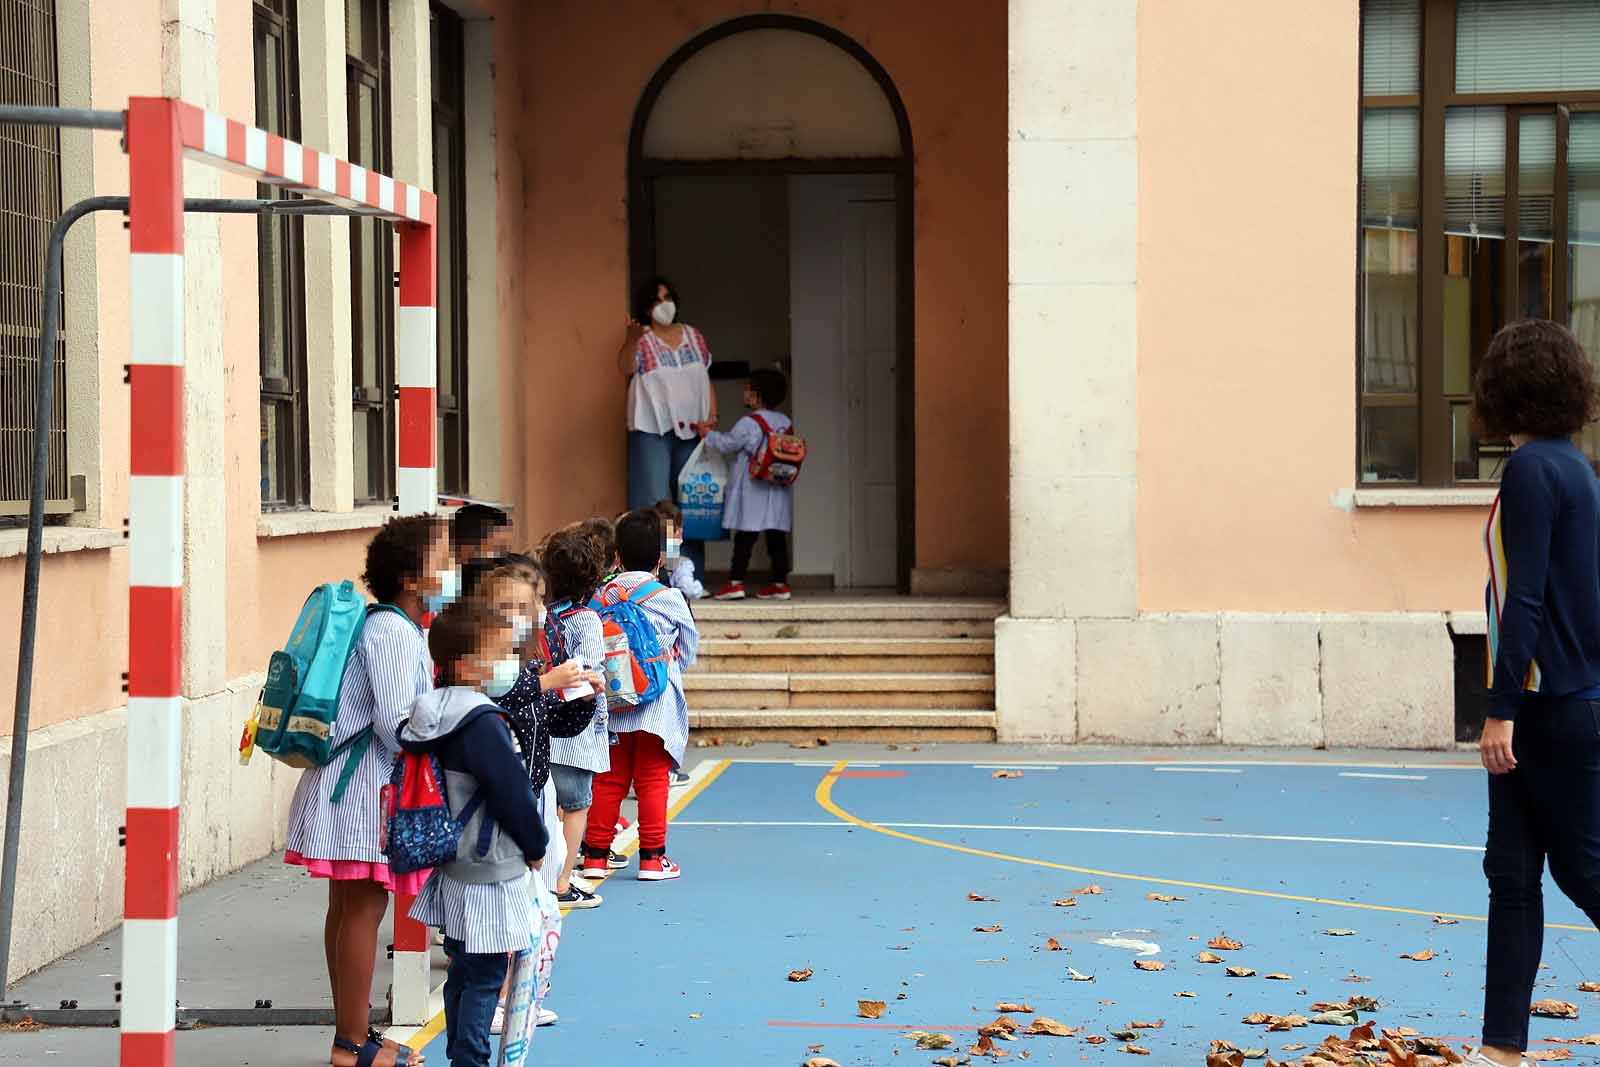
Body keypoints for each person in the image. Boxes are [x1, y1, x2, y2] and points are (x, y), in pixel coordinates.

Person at [1468, 319, 1600, 1067]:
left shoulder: (1529, 472)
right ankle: (1500, 1050)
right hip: (1572, 700)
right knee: (1512, 874)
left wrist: (1500, 706)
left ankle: (1502, 1047)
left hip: (1546, 706)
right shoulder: (1577, 468)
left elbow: (1525, 600)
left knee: (1582, 869)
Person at [285, 516, 450, 1067]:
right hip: (362, 793)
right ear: (410, 577)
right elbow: (400, 725)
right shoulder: (395, 634)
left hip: (347, 786)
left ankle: (353, 1033)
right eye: (441, 562)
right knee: (363, 908)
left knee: (348, 909)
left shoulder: (380, 626)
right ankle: (351, 1043)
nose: (450, 571)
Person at [401, 601, 548, 1067]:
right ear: (465, 664)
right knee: (486, 974)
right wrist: (536, 844)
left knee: (462, 970)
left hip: (452, 862)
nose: (507, 662)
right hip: (490, 865)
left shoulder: (433, 711)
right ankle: (471, 1059)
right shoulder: (482, 722)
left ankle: (459, 1053)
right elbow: (511, 789)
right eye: (498, 653)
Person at [477, 555, 601, 1029]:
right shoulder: (481, 655)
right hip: (492, 801)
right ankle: (495, 998)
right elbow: (492, 700)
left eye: (525, 605)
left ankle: (520, 992)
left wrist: (583, 700)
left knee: (535, 904)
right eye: (504, 604)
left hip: (535, 789)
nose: (516, 614)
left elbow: (550, 717)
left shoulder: (533, 650)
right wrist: (548, 681)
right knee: (500, 906)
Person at [580, 509, 699, 882]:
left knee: (609, 779)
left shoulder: (601, 595)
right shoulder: (670, 597)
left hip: (611, 701)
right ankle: (652, 858)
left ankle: (596, 856)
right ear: (661, 558)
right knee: (652, 779)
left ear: (617, 556)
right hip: (656, 701)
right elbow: (689, 649)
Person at [619, 276, 715, 583]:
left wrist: (712, 416)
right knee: (652, 503)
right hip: (652, 430)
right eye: (658, 300)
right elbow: (625, 368)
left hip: (693, 430)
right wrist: (632, 338)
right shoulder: (643, 339)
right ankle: (650, 579)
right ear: (647, 307)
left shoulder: (693, 335)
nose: (665, 305)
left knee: (692, 504)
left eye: (668, 297)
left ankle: (691, 577)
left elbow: (705, 377)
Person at [539, 528, 612, 908]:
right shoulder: (586, 621)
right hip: (577, 729)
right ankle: (563, 881)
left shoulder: (539, 615)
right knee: (576, 806)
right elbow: (589, 672)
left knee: (547, 805)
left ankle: (542, 878)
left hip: (541, 722)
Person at [700, 367, 794, 601]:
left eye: (748, 388)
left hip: (752, 488)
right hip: (777, 487)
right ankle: (780, 584)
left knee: (745, 538)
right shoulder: (785, 421)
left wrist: (706, 434)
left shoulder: (749, 422)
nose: (744, 392)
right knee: (776, 538)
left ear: (757, 395)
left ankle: (735, 582)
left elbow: (727, 445)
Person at [654, 498, 704, 599]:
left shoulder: (644, 563)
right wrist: (699, 586)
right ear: (679, 532)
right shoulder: (682, 564)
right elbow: (689, 591)